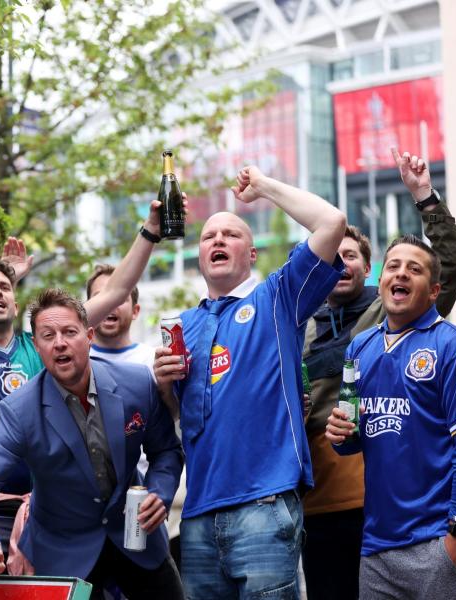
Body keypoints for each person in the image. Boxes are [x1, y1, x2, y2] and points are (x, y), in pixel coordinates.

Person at [0, 200, 171, 588]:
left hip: (72, 514)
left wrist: (149, 232)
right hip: (1, 512)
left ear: (85, 336)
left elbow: (117, 288)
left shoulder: (53, 346)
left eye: (4, 287)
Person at [154, 166, 346, 598]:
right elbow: (178, 422)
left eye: (231, 234)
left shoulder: (278, 297)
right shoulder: (182, 326)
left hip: (265, 503)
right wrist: (164, 387)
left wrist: (264, 188)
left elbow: (331, 222)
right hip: (198, 515)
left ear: (254, 254)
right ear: (199, 256)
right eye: (208, 236)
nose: (218, 240)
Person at [301, 148, 456, 599]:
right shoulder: (299, 325)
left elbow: (450, 265)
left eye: (351, 255)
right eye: (332, 255)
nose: (341, 263)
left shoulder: (390, 310)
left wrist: (425, 197)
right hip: (317, 501)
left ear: (367, 268)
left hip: (384, 500)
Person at [0, 289, 184, 598]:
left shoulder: (137, 383)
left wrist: (160, 492)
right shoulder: (19, 410)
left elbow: (166, 450)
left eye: (69, 332)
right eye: (48, 335)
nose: (59, 342)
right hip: (63, 548)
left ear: (89, 335)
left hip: (137, 536)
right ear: (36, 346)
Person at [325, 235, 456, 599]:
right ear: (381, 280)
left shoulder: (455, 346)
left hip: (439, 542)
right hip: (376, 549)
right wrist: (341, 434)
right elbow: (353, 437)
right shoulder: (360, 347)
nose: (401, 274)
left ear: (433, 292)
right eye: (394, 266)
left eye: (414, 269)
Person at [86, 263, 156, 369]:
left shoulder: (153, 361)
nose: (110, 304)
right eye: (100, 297)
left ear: (135, 311)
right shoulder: (71, 360)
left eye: (120, 298)